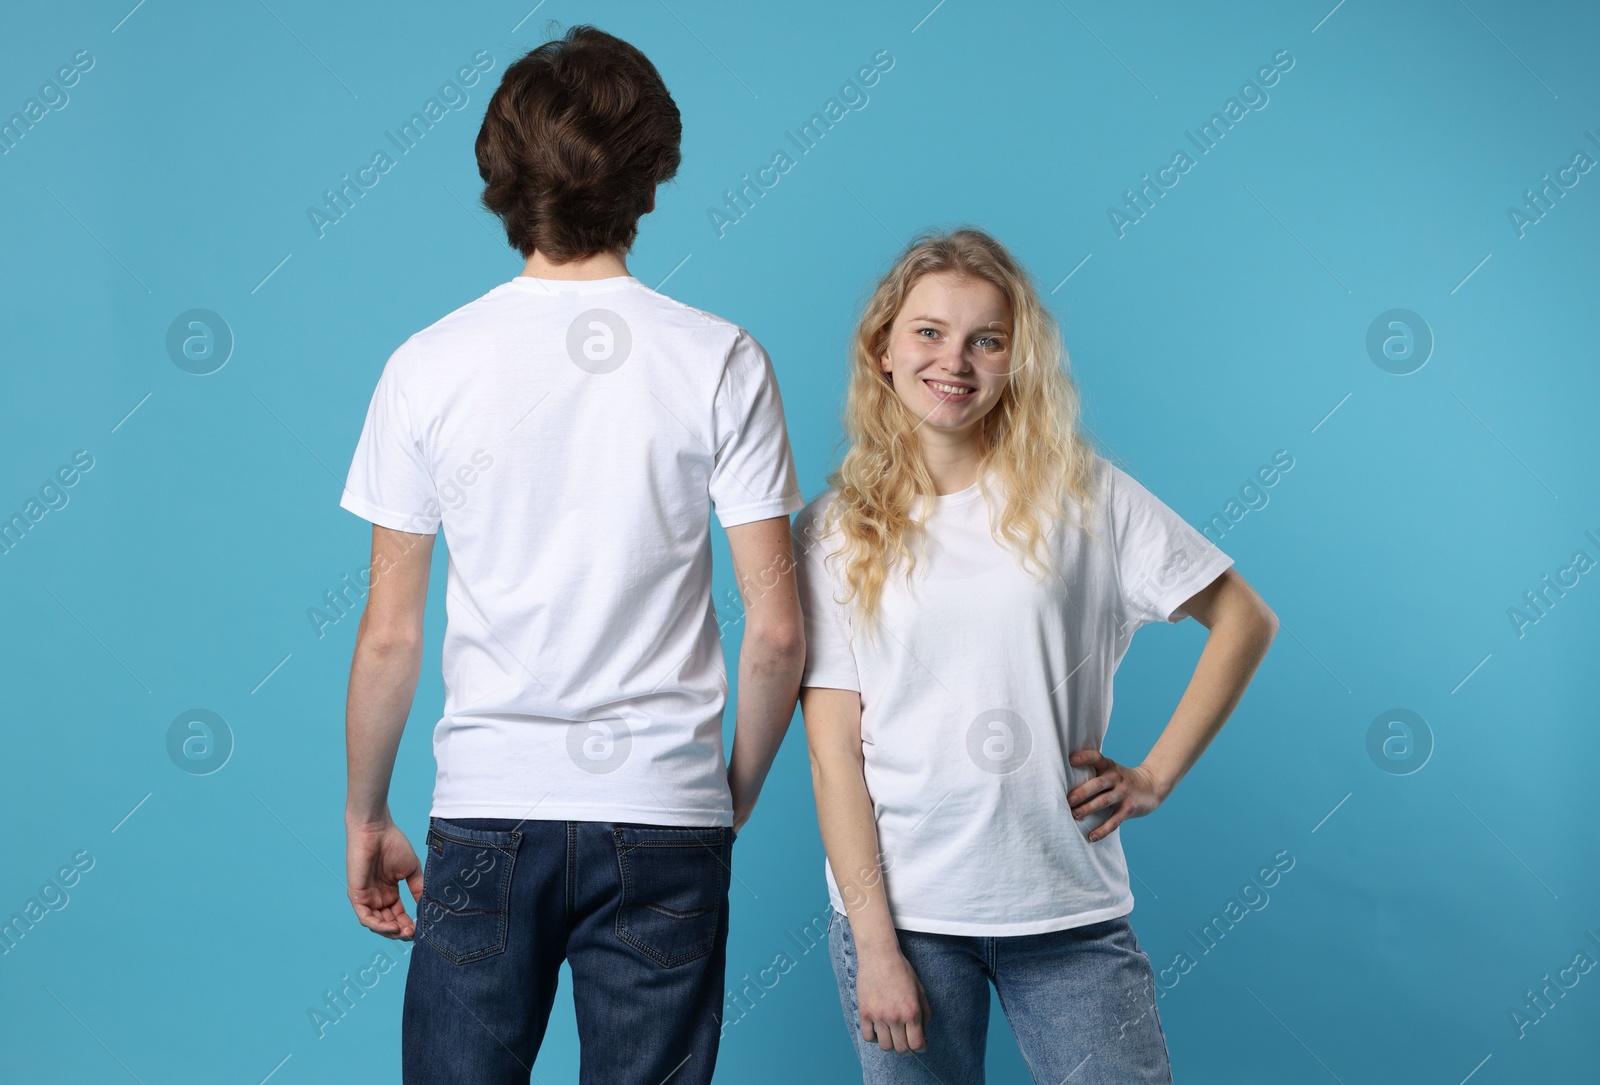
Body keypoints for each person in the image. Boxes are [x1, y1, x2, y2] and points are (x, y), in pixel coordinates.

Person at [337, 25, 806, 1085]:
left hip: (486, 808)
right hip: (665, 809)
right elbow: (776, 629)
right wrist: (719, 797)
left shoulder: (427, 367)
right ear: (650, 181)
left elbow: (389, 637)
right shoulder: (719, 358)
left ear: (500, 181)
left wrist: (367, 815)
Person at [793, 227, 1278, 1083]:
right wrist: (874, 946)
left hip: (1067, 910)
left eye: (988, 339)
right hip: (904, 919)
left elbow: (1245, 618)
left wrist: (1156, 774)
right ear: (884, 351)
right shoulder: (834, 530)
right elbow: (834, 752)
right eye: (929, 332)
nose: (957, 359)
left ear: (1017, 359)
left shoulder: (1084, 494)